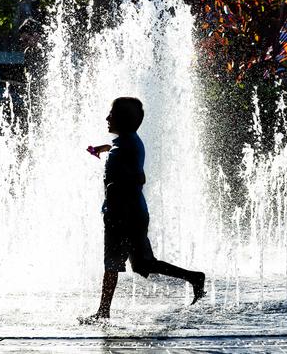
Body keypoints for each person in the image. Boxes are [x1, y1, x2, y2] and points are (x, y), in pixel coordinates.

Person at [79, 97, 205, 324]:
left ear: (124, 120)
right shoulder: (126, 142)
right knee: (143, 264)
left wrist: (115, 192)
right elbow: (120, 152)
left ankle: (103, 312)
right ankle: (194, 278)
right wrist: (104, 149)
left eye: (112, 114)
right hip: (129, 214)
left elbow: (139, 177)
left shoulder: (128, 146)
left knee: (112, 264)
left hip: (124, 215)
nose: (107, 118)